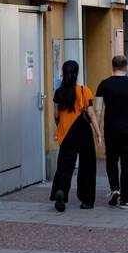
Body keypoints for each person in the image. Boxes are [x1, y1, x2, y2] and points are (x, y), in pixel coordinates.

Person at [96, 55, 128, 209]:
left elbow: (98, 110)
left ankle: (115, 188)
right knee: (127, 163)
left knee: (111, 160)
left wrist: (98, 131)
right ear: (126, 67)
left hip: (111, 130)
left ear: (112, 67)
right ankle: (125, 200)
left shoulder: (104, 85)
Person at [49, 60, 102, 211]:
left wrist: (60, 127)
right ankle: (87, 200)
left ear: (63, 74)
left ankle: (61, 191)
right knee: (87, 166)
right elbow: (91, 114)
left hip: (67, 133)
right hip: (84, 132)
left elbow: (56, 115)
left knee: (65, 165)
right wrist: (98, 134)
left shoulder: (58, 92)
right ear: (76, 73)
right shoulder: (84, 90)